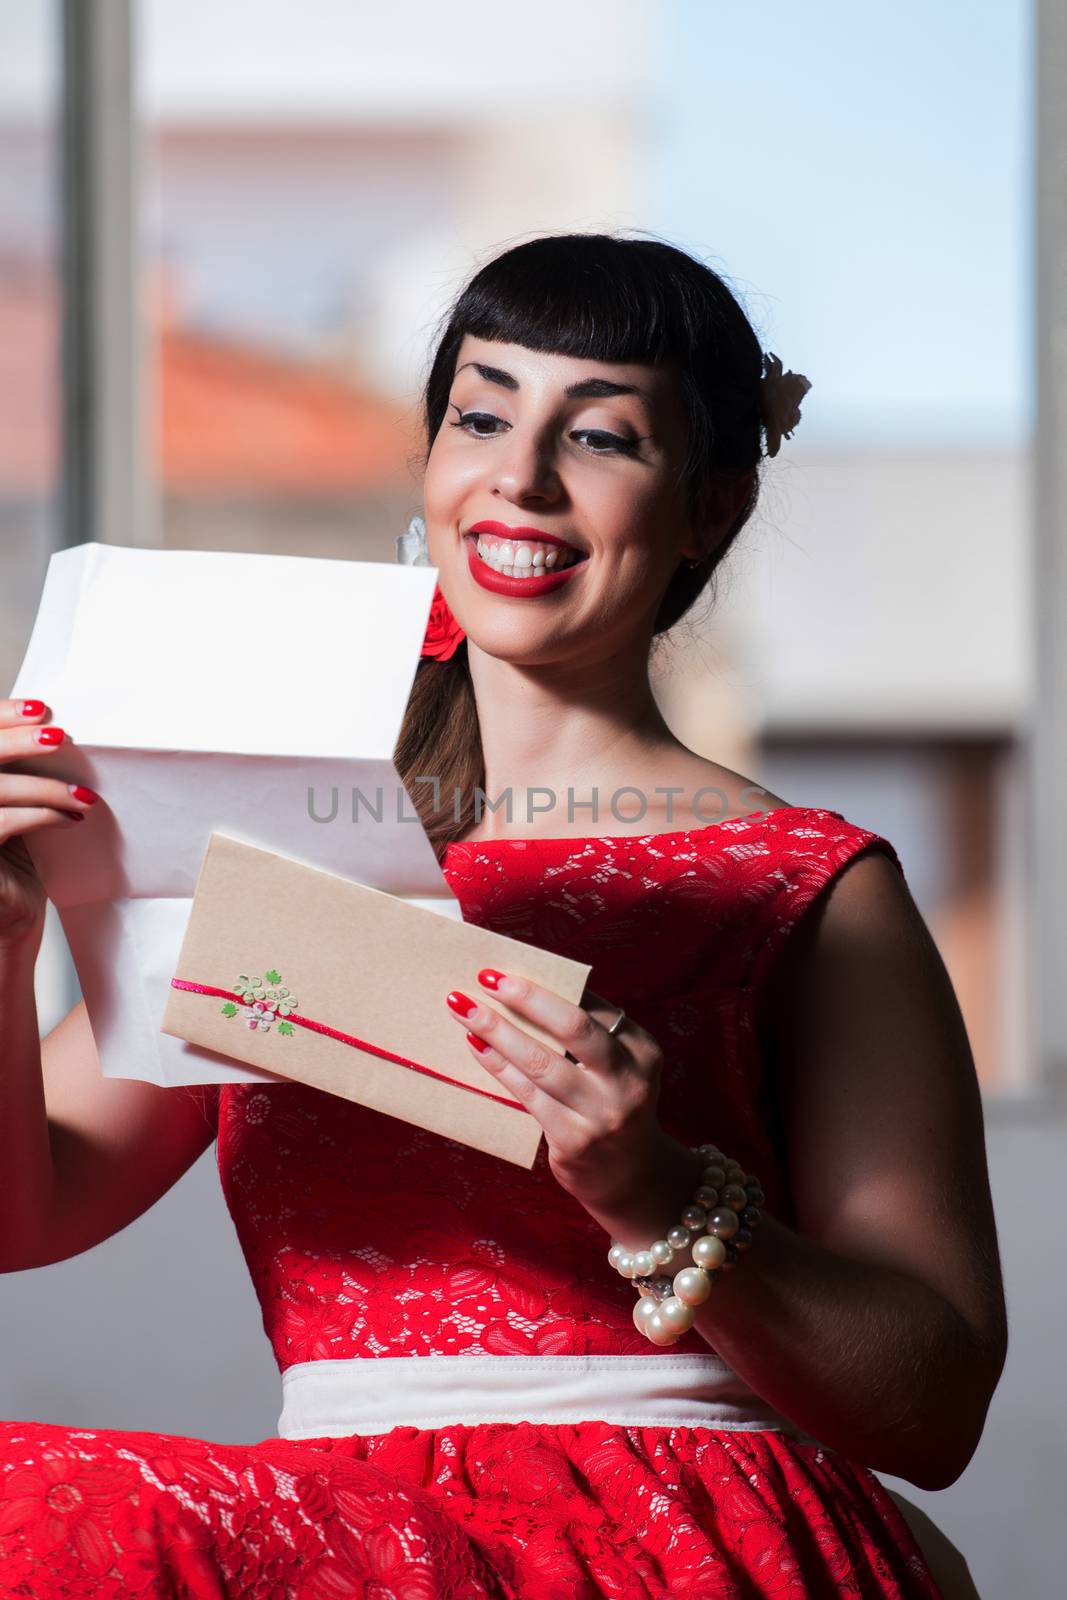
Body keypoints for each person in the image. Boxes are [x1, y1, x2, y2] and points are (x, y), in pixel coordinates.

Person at [0, 232, 1004, 1598]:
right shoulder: (284, 842)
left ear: (709, 506)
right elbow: (33, 1203)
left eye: (599, 437)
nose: (519, 476)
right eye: (482, 416)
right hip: (342, 1527)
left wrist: (657, 1192)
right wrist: (7, 954)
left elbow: (934, 1406)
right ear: (431, 464)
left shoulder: (813, 886)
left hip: (674, 1530)